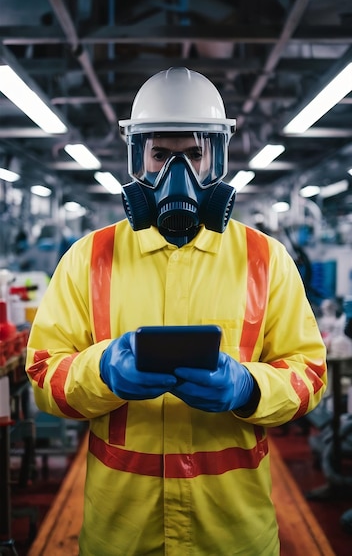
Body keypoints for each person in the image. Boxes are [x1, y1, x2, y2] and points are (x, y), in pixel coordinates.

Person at [26, 67, 327, 556]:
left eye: (192, 155)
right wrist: (101, 371)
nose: (177, 176)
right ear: (137, 159)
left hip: (231, 535)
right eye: (161, 155)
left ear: (218, 158)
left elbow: (310, 375)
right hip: (122, 534)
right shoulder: (89, 258)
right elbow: (42, 376)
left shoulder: (265, 259)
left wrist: (249, 388)